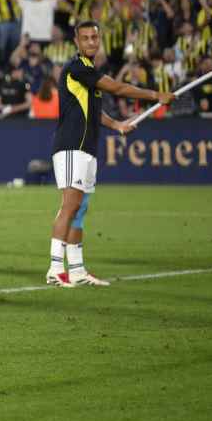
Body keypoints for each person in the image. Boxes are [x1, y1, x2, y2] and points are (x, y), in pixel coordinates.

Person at [47, 21, 171, 288]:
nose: (91, 42)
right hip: (72, 145)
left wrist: (117, 125)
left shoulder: (90, 72)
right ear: (76, 42)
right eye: (85, 38)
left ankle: (77, 270)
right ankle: (55, 268)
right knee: (70, 206)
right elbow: (118, 88)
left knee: (79, 210)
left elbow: (94, 111)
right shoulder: (77, 67)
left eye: (94, 37)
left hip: (86, 148)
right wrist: (154, 95)